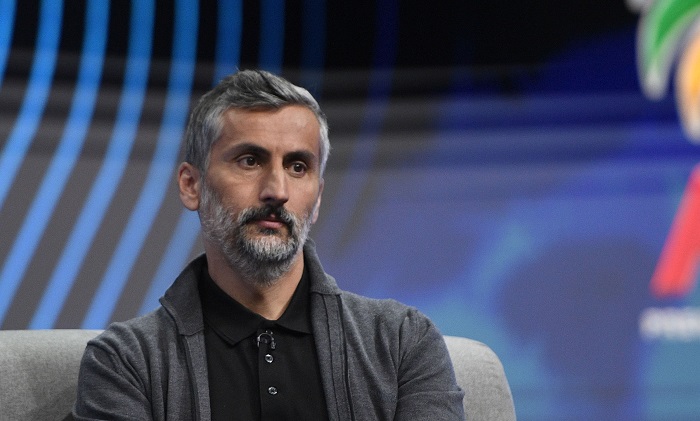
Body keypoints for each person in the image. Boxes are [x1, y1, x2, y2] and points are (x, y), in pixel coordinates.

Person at [73, 70, 466, 420]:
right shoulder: (126, 362)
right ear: (192, 185)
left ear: (318, 197)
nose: (277, 190)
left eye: (298, 167)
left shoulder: (402, 343)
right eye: (249, 160)